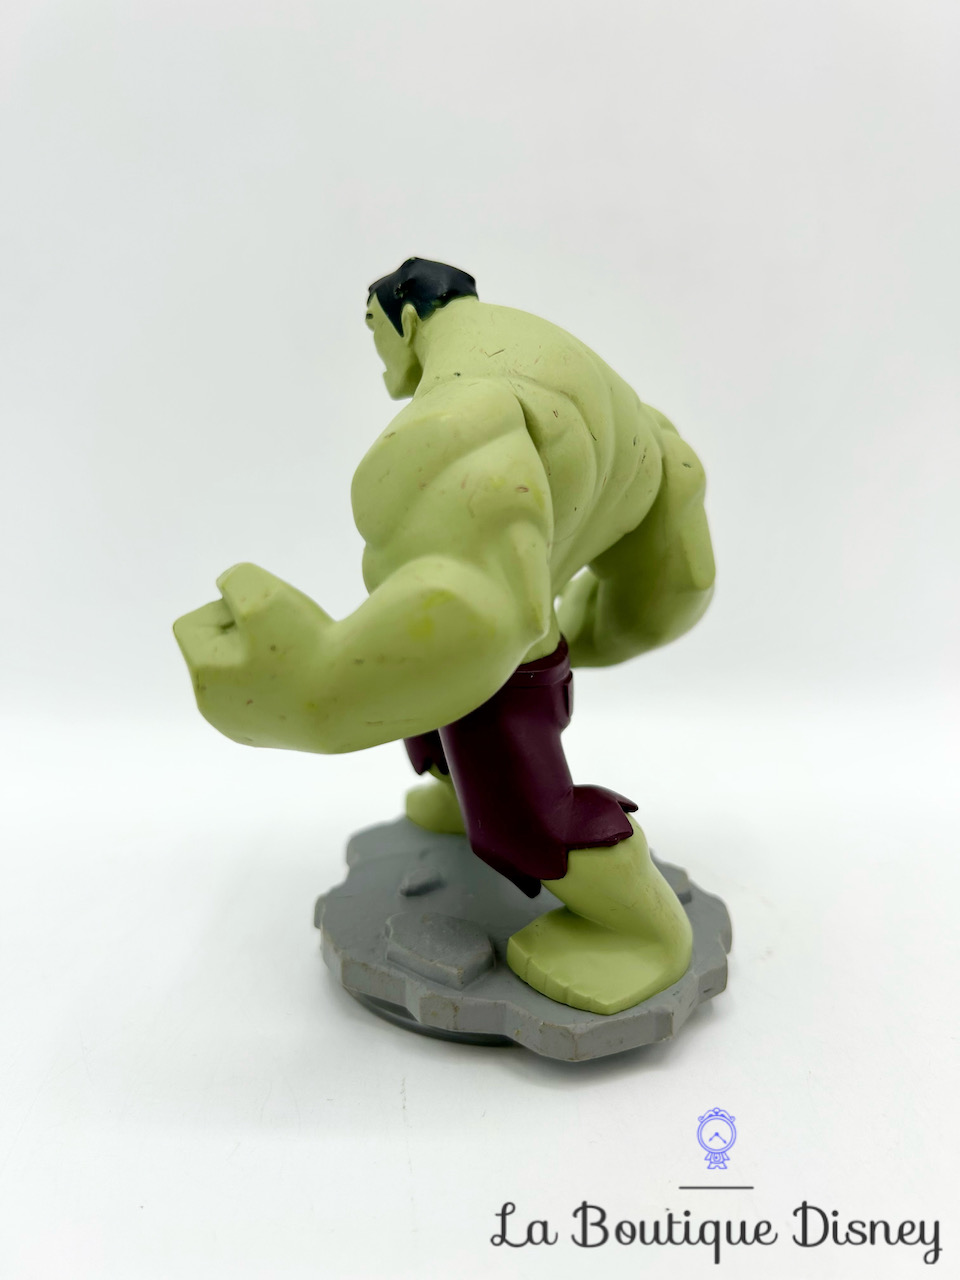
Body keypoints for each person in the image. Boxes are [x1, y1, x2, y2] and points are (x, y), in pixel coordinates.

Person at [174, 258, 715, 1014]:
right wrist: (604, 627)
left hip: (503, 663)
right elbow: (673, 530)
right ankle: (466, 798)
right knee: (435, 730)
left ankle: (644, 933)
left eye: (374, 329)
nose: (377, 353)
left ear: (405, 320)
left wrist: (314, 692)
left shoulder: (460, 415)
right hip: (529, 637)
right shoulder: (563, 361)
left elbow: (478, 610)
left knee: (527, 813)